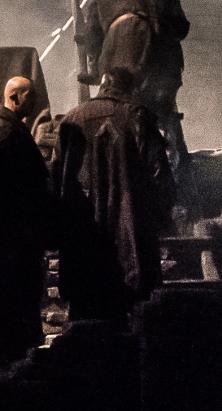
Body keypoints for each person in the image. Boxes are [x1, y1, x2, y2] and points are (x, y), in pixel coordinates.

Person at [51, 68, 174, 324]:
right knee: (131, 318)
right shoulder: (138, 116)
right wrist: (160, 216)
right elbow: (160, 174)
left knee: (85, 318)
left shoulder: (71, 119)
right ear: (129, 88)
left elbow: (56, 178)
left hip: (82, 234)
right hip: (130, 233)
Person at [77, 0, 189, 160]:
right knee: (165, 112)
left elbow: (92, 32)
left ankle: (126, 161)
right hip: (166, 59)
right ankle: (176, 166)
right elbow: (182, 27)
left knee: (124, 107)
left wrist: (94, 67)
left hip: (125, 49)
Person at [0, 78, 52, 360]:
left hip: (14, 231)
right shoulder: (7, 134)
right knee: (17, 299)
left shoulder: (6, 129)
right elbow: (4, 190)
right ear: (14, 97)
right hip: (14, 233)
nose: (35, 101)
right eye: (29, 95)